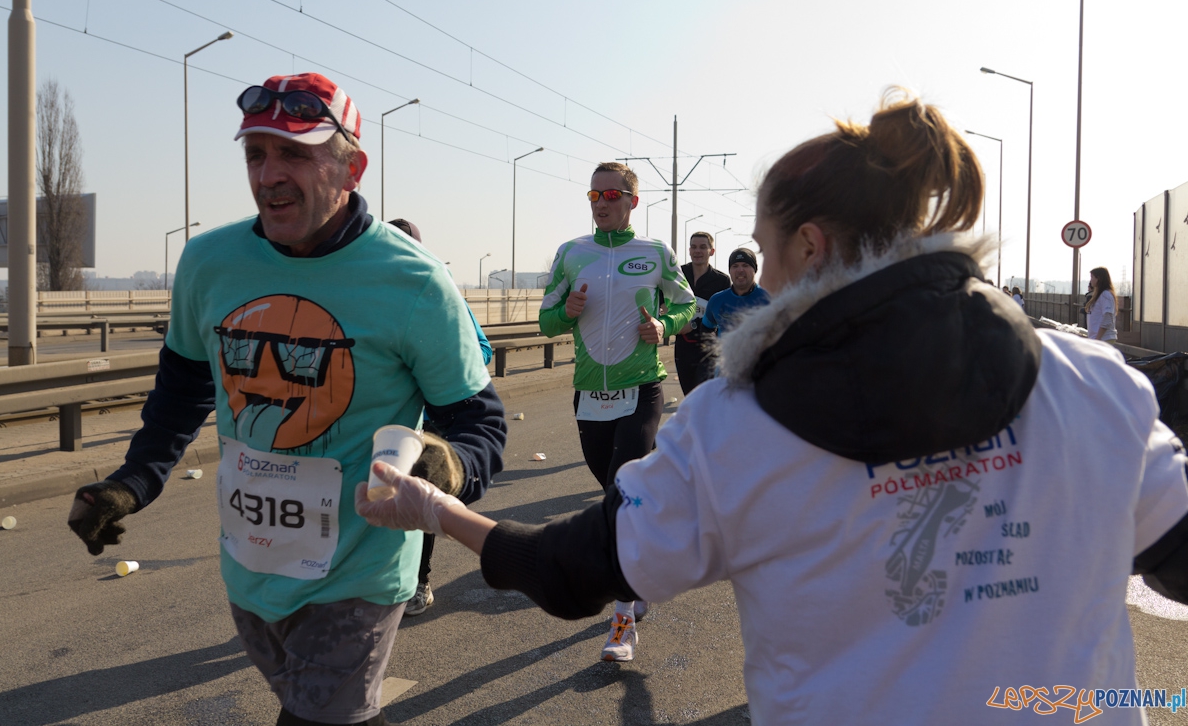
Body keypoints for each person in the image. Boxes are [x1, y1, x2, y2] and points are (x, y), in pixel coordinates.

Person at [355, 90, 1188, 725]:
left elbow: (568, 571)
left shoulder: (730, 432)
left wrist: (436, 510)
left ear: (812, 245)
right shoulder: (1095, 384)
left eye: (768, 241)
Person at [66, 73, 507, 726]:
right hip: (251, 571)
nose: (268, 175)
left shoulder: (414, 282)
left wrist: (448, 465)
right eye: (255, 153)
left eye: (294, 153)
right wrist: (132, 483)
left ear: (351, 167)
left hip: (359, 573)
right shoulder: (209, 264)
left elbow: (480, 426)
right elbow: (183, 391)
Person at [533, 161, 695, 662]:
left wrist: (664, 327)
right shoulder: (571, 253)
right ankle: (640, 571)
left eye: (610, 194)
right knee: (610, 490)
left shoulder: (654, 252)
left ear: (632, 200)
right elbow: (544, 322)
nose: (600, 202)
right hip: (590, 394)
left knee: (619, 496)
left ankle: (622, 619)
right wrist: (568, 314)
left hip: (643, 387)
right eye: (593, 194)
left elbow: (689, 304)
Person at [387, 217, 493, 616]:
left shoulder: (439, 292)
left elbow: (480, 351)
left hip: (431, 420)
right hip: (388, 420)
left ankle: (419, 581)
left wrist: (442, 368)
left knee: (417, 497)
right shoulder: (371, 296)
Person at [673, 231, 730, 394]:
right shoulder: (678, 275)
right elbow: (663, 299)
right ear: (689, 250)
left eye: (703, 247)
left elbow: (722, 317)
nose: (697, 251)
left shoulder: (722, 281)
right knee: (689, 396)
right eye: (694, 247)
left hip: (709, 349)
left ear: (711, 251)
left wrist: (693, 324)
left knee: (703, 396)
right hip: (683, 348)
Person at [701, 247, 772, 337]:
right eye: (735, 266)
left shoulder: (769, 299)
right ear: (730, 271)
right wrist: (713, 348)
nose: (740, 270)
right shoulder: (716, 300)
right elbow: (706, 328)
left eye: (745, 265)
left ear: (755, 269)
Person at [1086, 266, 1119, 343]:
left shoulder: (1105, 295)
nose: (1091, 280)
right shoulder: (1099, 295)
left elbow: (1107, 318)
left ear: (1099, 278)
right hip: (1098, 338)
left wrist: (1097, 339)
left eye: (1092, 277)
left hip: (1104, 338)